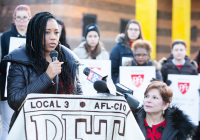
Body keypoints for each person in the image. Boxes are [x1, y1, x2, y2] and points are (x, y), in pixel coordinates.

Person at [3, 12, 82, 130]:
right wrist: (46, 77)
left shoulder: (70, 60)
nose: (53, 37)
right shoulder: (20, 60)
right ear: (35, 33)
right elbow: (15, 101)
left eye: (56, 32)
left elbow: (79, 95)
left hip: (64, 129)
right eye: (47, 32)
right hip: (30, 129)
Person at [0, 5, 32, 139]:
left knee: (26, 124)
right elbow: (2, 61)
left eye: (25, 18)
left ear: (30, 18)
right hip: (8, 85)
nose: (21, 21)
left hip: (29, 85)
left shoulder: (34, 37)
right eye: (18, 18)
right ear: (14, 19)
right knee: (7, 124)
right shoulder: (6, 36)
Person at [110, 19, 144, 83]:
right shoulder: (118, 48)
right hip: (123, 86)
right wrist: (117, 85)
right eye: (131, 29)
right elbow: (112, 71)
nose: (133, 32)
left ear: (139, 32)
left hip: (140, 82)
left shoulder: (145, 49)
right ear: (127, 31)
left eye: (136, 30)